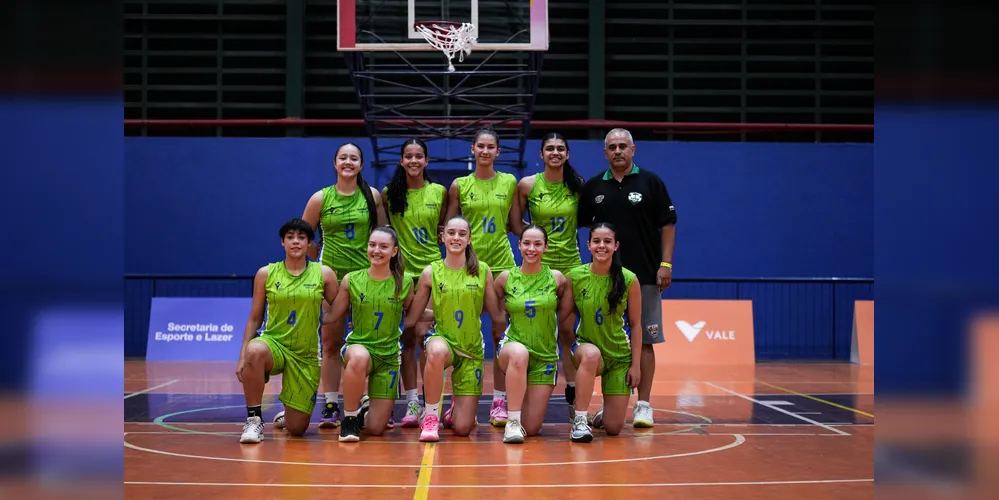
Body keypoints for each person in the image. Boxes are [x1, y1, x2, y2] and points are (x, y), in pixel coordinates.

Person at [577, 128, 676, 428]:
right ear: (605, 152)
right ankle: (606, 405)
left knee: (644, 340)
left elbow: (668, 224)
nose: (618, 151)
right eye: (612, 147)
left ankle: (643, 405)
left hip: (644, 275)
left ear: (633, 149)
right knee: (600, 342)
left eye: (623, 146)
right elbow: (584, 229)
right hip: (604, 278)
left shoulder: (651, 182)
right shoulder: (594, 186)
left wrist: (665, 264)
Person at [302, 142, 389, 429]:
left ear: (361, 165)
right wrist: (318, 262)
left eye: (353, 158)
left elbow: (384, 234)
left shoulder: (371, 195)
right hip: (333, 279)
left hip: (367, 279)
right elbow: (303, 238)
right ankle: (330, 404)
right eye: (343, 158)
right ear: (335, 163)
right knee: (331, 342)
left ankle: (367, 399)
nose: (348, 162)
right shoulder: (320, 198)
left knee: (368, 343)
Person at [235, 218, 339, 444]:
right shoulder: (266, 273)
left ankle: (289, 414)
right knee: (255, 351)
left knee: (297, 428)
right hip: (274, 344)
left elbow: (340, 308)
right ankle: (254, 420)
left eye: (301, 238)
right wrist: (243, 355)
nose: (296, 242)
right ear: (282, 242)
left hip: (306, 354)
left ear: (309, 243)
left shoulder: (324, 274)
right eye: (290, 237)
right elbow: (254, 318)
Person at [404, 215, 504, 442]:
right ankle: (431, 416)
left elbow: (496, 314)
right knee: (436, 350)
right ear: (442, 237)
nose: (456, 237)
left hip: (471, 350)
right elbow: (413, 318)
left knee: (462, 428)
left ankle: (453, 412)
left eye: (462, 234)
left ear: (469, 239)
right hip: (443, 340)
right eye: (451, 233)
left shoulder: (483, 271)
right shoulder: (431, 272)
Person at [510, 132, 585, 421]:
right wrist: (535, 244)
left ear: (567, 154)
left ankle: (574, 395)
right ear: (541, 154)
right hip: (539, 266)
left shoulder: (578, 185)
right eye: (549, 149)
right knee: (533, 329)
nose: (555, 153)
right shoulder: (528, 185)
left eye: (560, 149)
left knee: (567, 331)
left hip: (570, 265)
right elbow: (515, 223)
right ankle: (523, 392)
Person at [446, 126, 518, 427]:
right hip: (469, 265)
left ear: (498, 152)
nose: (485, 151)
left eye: (491, 147)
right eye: (481, 146)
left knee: (500, 332)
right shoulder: (460, 185)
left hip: (501, 264)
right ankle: (458, 399)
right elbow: (450, 224)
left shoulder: (509, 182)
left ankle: (499, 400)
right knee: (461, 333)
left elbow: (515, 223)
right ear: (473, 150)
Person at [323, 227, 414, 442]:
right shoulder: (352, 280)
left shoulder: (405, 282)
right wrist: (308, 304)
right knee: (359, 356)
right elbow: (332, 314)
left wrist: (445, 310)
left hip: (388, 357)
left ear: (394, 251)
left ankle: (363, 413)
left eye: (383, 246)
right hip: (358, 347)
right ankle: (349, 419)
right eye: (372, 245)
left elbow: (414, 313)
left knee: (376, 428)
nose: (376, 250)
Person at [382, 138, 448, 428]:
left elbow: (443, 229)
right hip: (401, 274)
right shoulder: (389, 194)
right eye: (408, 156)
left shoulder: (439, 192)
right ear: (401, 161)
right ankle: (411, 402)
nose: (413, 160)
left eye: (419, 156)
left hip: (430, 272)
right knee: (406, 338)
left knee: (425, 336)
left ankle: (431, 401)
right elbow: (384, 231)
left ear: (426, 161)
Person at [493, 224, 575, 443]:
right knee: (519, 354)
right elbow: (494, 309)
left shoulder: (557, 278)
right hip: (513, 348)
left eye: (537, 244)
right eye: (527, 243)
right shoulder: (505, 278)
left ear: (546, 247)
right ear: (519, 245)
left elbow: (564, 311)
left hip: (544, 356)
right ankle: (512, 422)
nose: (531, 249)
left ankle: (520, 416)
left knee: (531, 427)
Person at [565, 223, 642, 442]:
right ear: (588, 245)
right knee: (591, 355)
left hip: (618, 356)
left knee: (613, 428)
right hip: (586, 348)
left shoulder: (629, 279)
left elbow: (636, 324)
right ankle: (580, 420)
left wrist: (635, 366)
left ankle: (604, 413)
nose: (602, 246)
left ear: (616, 246)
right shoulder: (575, 277)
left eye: (607, 241)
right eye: (596, 241)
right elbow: (564, 317)